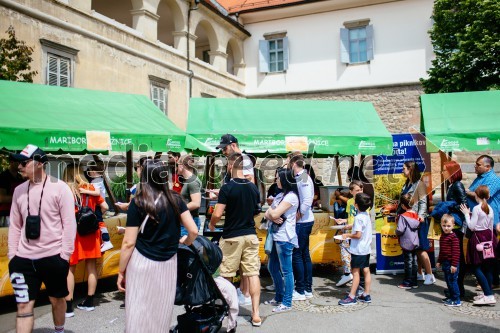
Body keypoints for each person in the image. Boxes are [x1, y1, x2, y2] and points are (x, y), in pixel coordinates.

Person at [117, 159, 198, 332]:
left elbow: (129, 242)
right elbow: (193, 231)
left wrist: (121, 270)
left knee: (138, 310)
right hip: (168, 263)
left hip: (141, 262)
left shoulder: (139, 202)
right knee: (160, 312)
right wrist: (186, 242)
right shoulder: (176, 199)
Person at [8, 144, 76, 333]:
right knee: (23, 306)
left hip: (53, 257)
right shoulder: (19, 191)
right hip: (23, 260)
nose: (19, 166)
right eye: (19, 162)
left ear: (39, 163)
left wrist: (64, 256)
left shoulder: (60, 189)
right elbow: (15, 225)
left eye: (24, 162)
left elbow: (70, 224)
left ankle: (59, 330)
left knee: (57, 300)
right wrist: (13, 256)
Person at [208, 152, 262, 327]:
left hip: (232, 235)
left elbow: (217, 213)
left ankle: (228, 310)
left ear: (230, 166)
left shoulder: (227, 188)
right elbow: (257, 212)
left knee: (226, 275)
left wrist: (212, 224)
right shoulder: (253, 187)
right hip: (250, 235)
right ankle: (256, 315)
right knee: (252, 273)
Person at [63, 164, 109, 317]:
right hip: (91, 232)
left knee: (70, 268)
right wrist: (92, 214)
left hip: (73, 233)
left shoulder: (64, 189)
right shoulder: (89, 187)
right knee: (91, 266)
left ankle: (68, 307)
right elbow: (105, 206)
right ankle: (89, 302)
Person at [215, 134, 255, 305]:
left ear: (233, 145)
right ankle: (242, 293)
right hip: (241, 212)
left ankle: (244, 293)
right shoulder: (241, 159)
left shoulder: (243, 160)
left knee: (241, 262)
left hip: (240, 215)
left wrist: (227, 192)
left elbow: (248, 181)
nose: (223, 152)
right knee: (243, 260)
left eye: (224, 148)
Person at [264, 168, 300, 312]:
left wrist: (272, 213)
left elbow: (274, 212)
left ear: (285, 179)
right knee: (272, 267)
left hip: (285, 237)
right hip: (275, 235)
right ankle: (279, 296)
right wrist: (271, 214)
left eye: (278, 178)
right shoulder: (280, 195)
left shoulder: (291, 196)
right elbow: (268, 213)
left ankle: (287, 302)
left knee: (286, 271)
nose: (276, 180)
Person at [398, 161, 435, 285]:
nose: (402, 170)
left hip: (417, 220)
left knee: (421, 248)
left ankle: (430, 274)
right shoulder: (407, 183)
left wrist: (420, 217)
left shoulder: (419, 184)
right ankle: (419, 272)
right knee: (415, 247)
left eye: (404, 168)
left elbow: (423, 202)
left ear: (411, 169)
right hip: (410, 219)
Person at [466, 155, 500, 288]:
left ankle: (491, 282)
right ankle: (489, 280)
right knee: (483, 253)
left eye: (478, 164)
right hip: (478, 219)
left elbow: (483, 195)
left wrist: (467, 192)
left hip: (490, 222)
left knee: (489, 253)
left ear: (488, 167)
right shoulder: (479, 178)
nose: (475, 166)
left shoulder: (493, 179)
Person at [460, 185, 497, 306]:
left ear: (477, 195)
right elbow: (491, 226)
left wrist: (466, 213)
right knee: (488, 267)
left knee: (477, 267)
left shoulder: (476, 208)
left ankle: (489, 295)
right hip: (489, 237)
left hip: (478, 237)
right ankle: (488, 293)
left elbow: (471, 226)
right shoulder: (490, 208)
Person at [288, 152, 314, 300]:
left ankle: (301, 289)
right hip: (304, 221)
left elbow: (307, 200)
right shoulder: (301, 176)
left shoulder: (303, 177)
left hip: (303, 222)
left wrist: (299, 215)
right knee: (304, 255)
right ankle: (307, 288)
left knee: (298, 255)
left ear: (293, 164)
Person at [338, 193, 372, 306]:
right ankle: (366, 294)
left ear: (356, 204)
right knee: (366, 271)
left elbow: (358, 235)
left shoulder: (358, 218)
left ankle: (352, 296)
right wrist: (350, 226)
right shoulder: (366, 215)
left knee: (355, 272)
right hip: (366, 248)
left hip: (358, 249)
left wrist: (347, 235)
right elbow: (362, 228)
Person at [442, 160, 468, 297]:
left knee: (456, 257)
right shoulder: (452, 185)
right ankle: (455, 288)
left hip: (456, 224)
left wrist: (450, 206)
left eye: (444, 170)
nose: (442, 172)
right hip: (453, 222)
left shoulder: (457, 185)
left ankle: (459, 289)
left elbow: (463, 205)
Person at [334, 180, 364, 288]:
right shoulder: (350, 202)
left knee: (356, 255)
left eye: (361, 189)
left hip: (357, 232)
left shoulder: (364, 202)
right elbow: (351, 217)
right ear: (351, 192)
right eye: (357, 190)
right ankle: (348, 273)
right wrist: (343, 221)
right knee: (344, 251)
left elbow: (363, 220)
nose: (360, 192)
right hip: (349, 230)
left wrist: (350, 226)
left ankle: (356, 279)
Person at [86, 166, 113, 252]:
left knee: (100, 223)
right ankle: (105, 241)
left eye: (89, 172)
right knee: (100, 222)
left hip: (98, 204)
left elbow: (97, 193)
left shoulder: (96, 181)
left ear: (93, 171)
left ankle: (106, 241)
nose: (89, 174)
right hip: (100, 204)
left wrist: (85, 191)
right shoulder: (99, 180)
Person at [436, 214, 461, 307]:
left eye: (448, 226)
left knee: (452, 280)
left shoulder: (453, 237)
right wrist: (439, 261)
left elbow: (456, 252)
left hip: (452, 263)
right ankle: (451, 296)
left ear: (453, 225)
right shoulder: (443, 236)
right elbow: (442, 251)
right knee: (448, 280)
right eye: (444, 226)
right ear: (441, 225)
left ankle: (456, 299)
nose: (446, 228)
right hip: (446, 262)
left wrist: (454, 265)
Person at [396, 194, 420, 290]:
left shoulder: (403, 217)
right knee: (414, 261)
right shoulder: (415, 215)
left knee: (408, 262)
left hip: (406, 241)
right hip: (415, 241)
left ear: (402, 205)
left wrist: (396, 232)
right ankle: (414, 281)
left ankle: (407, 282)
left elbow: (400, 230)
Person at [177, 154, 202, 236]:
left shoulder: (192, 181)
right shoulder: (189, 180)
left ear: (182, 166)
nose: (175, 168)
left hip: (190, 221)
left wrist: (177, 210)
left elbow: (196, 203)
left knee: (185, 248)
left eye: (177, 165)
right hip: (187, 221)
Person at [0, 157, 24, 227]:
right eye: (18, 163)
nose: (20, 165)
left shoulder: (20, 177)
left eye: (21, 163)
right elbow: (1, 198)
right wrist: (21, 198)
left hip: (18, 213)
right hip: (5, 214)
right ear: (11, 163)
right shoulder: (3, 177)